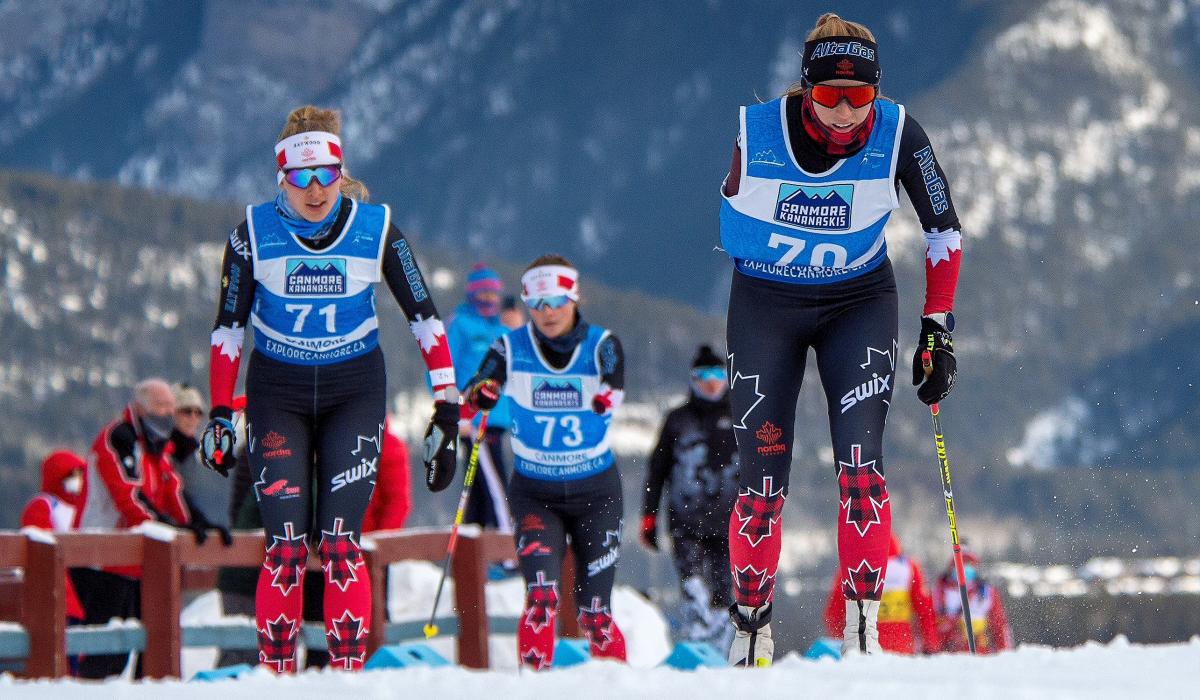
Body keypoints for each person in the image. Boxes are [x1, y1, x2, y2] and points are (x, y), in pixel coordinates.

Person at [719, 13, 963, 665]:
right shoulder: (759, 131)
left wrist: (937, 328)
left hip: (858, 302)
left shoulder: (899, 132)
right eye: (830, 97)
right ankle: (749, 629)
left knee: (860, 470)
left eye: (862, 97)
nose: (847, 114)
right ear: (806, 91)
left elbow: (945, 230)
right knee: (762, 487)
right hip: (767, 304)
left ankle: (863, 631)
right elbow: (736, 235)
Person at [199, 106, 461, 673]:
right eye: (300, 176)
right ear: (281, 178)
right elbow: (227, 330)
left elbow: (426, 319)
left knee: (341, 546)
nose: (315, 189)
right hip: (278, 393)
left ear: (342, 172)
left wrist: (447, 409)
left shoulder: (377, 229)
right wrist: (220, 412)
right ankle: (277, 678)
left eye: (326, 174)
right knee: (286, 548)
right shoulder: (251, 235)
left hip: (352, 392)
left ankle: (344, 681)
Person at [463, 255, 627, 670]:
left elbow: (614, 379)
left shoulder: (602, 343)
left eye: (556, 301)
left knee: (595, 611)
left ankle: (621, 687)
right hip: (537, 493)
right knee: (541, 599)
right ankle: (535, 687)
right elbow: (483, 381)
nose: (547, 312)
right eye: (537, 304)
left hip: (596, 493)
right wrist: (481, 393)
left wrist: (606, 395)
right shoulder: (509, 345)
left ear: (574, 298)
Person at [75, 378, 228, 679]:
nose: (168, 413)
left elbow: (171, 489)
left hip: (137, 563)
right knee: (102, 654)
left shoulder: (154, 444)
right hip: (101, 559)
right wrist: (163, 525)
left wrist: (194, 523)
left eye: (171, 407)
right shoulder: (119, 437)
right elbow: (128, 496)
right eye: (161, 406)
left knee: (146, 648)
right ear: (142, 408)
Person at [641, 345, 738, 646]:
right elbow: (656, 470)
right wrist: (648, 517)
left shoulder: (740, 415)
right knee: (694, 586)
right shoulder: (677, 420)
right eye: (703, 375)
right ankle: (697, 641)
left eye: (717, 374)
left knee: (725, 592)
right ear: (693, 380)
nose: (711, 381)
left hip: (730, 522)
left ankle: (723, 648)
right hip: (685, 521)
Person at [446, 264, 514, 533]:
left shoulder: (503, 329)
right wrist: (453, 409)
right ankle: (506, 544)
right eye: (482, 293)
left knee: (478, 482)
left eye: (493, 294)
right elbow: (442, 367)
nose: (488, 300)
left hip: (500, 415)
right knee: (494, 481)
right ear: (470, 294)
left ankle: (476, 540)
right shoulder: (460, 324)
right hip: (473, 416)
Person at [822, 533, 938, 654]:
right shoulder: (909, 567)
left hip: (865, 649)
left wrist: (843, 641)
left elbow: (834, 613)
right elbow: (925, 610)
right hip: (902, 647)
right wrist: (930, 643)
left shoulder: (850, 568)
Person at [20, 450, 88, 626]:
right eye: (72, 474)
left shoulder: (82, 507)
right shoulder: (44, 505)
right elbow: (42, 552)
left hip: (85, 592)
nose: (78, 480)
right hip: (59, 595)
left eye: (81, 474)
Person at [171, 383, 229, 528]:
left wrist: (199, 520)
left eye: (198, 412)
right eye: (186, 411)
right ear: (173, 413)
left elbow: (188, 494)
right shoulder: (162, 448)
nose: (193, 417)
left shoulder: (192, 452)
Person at [933, 549, 1012, 654]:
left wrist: (1004, 650)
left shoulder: (986, 592)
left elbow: (999, 624)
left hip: (980, 650)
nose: (965, 570)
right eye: (961, 565)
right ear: (952, 568)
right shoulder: (941, 591)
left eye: (969, 565)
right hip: (950, 651)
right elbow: (932, 622)